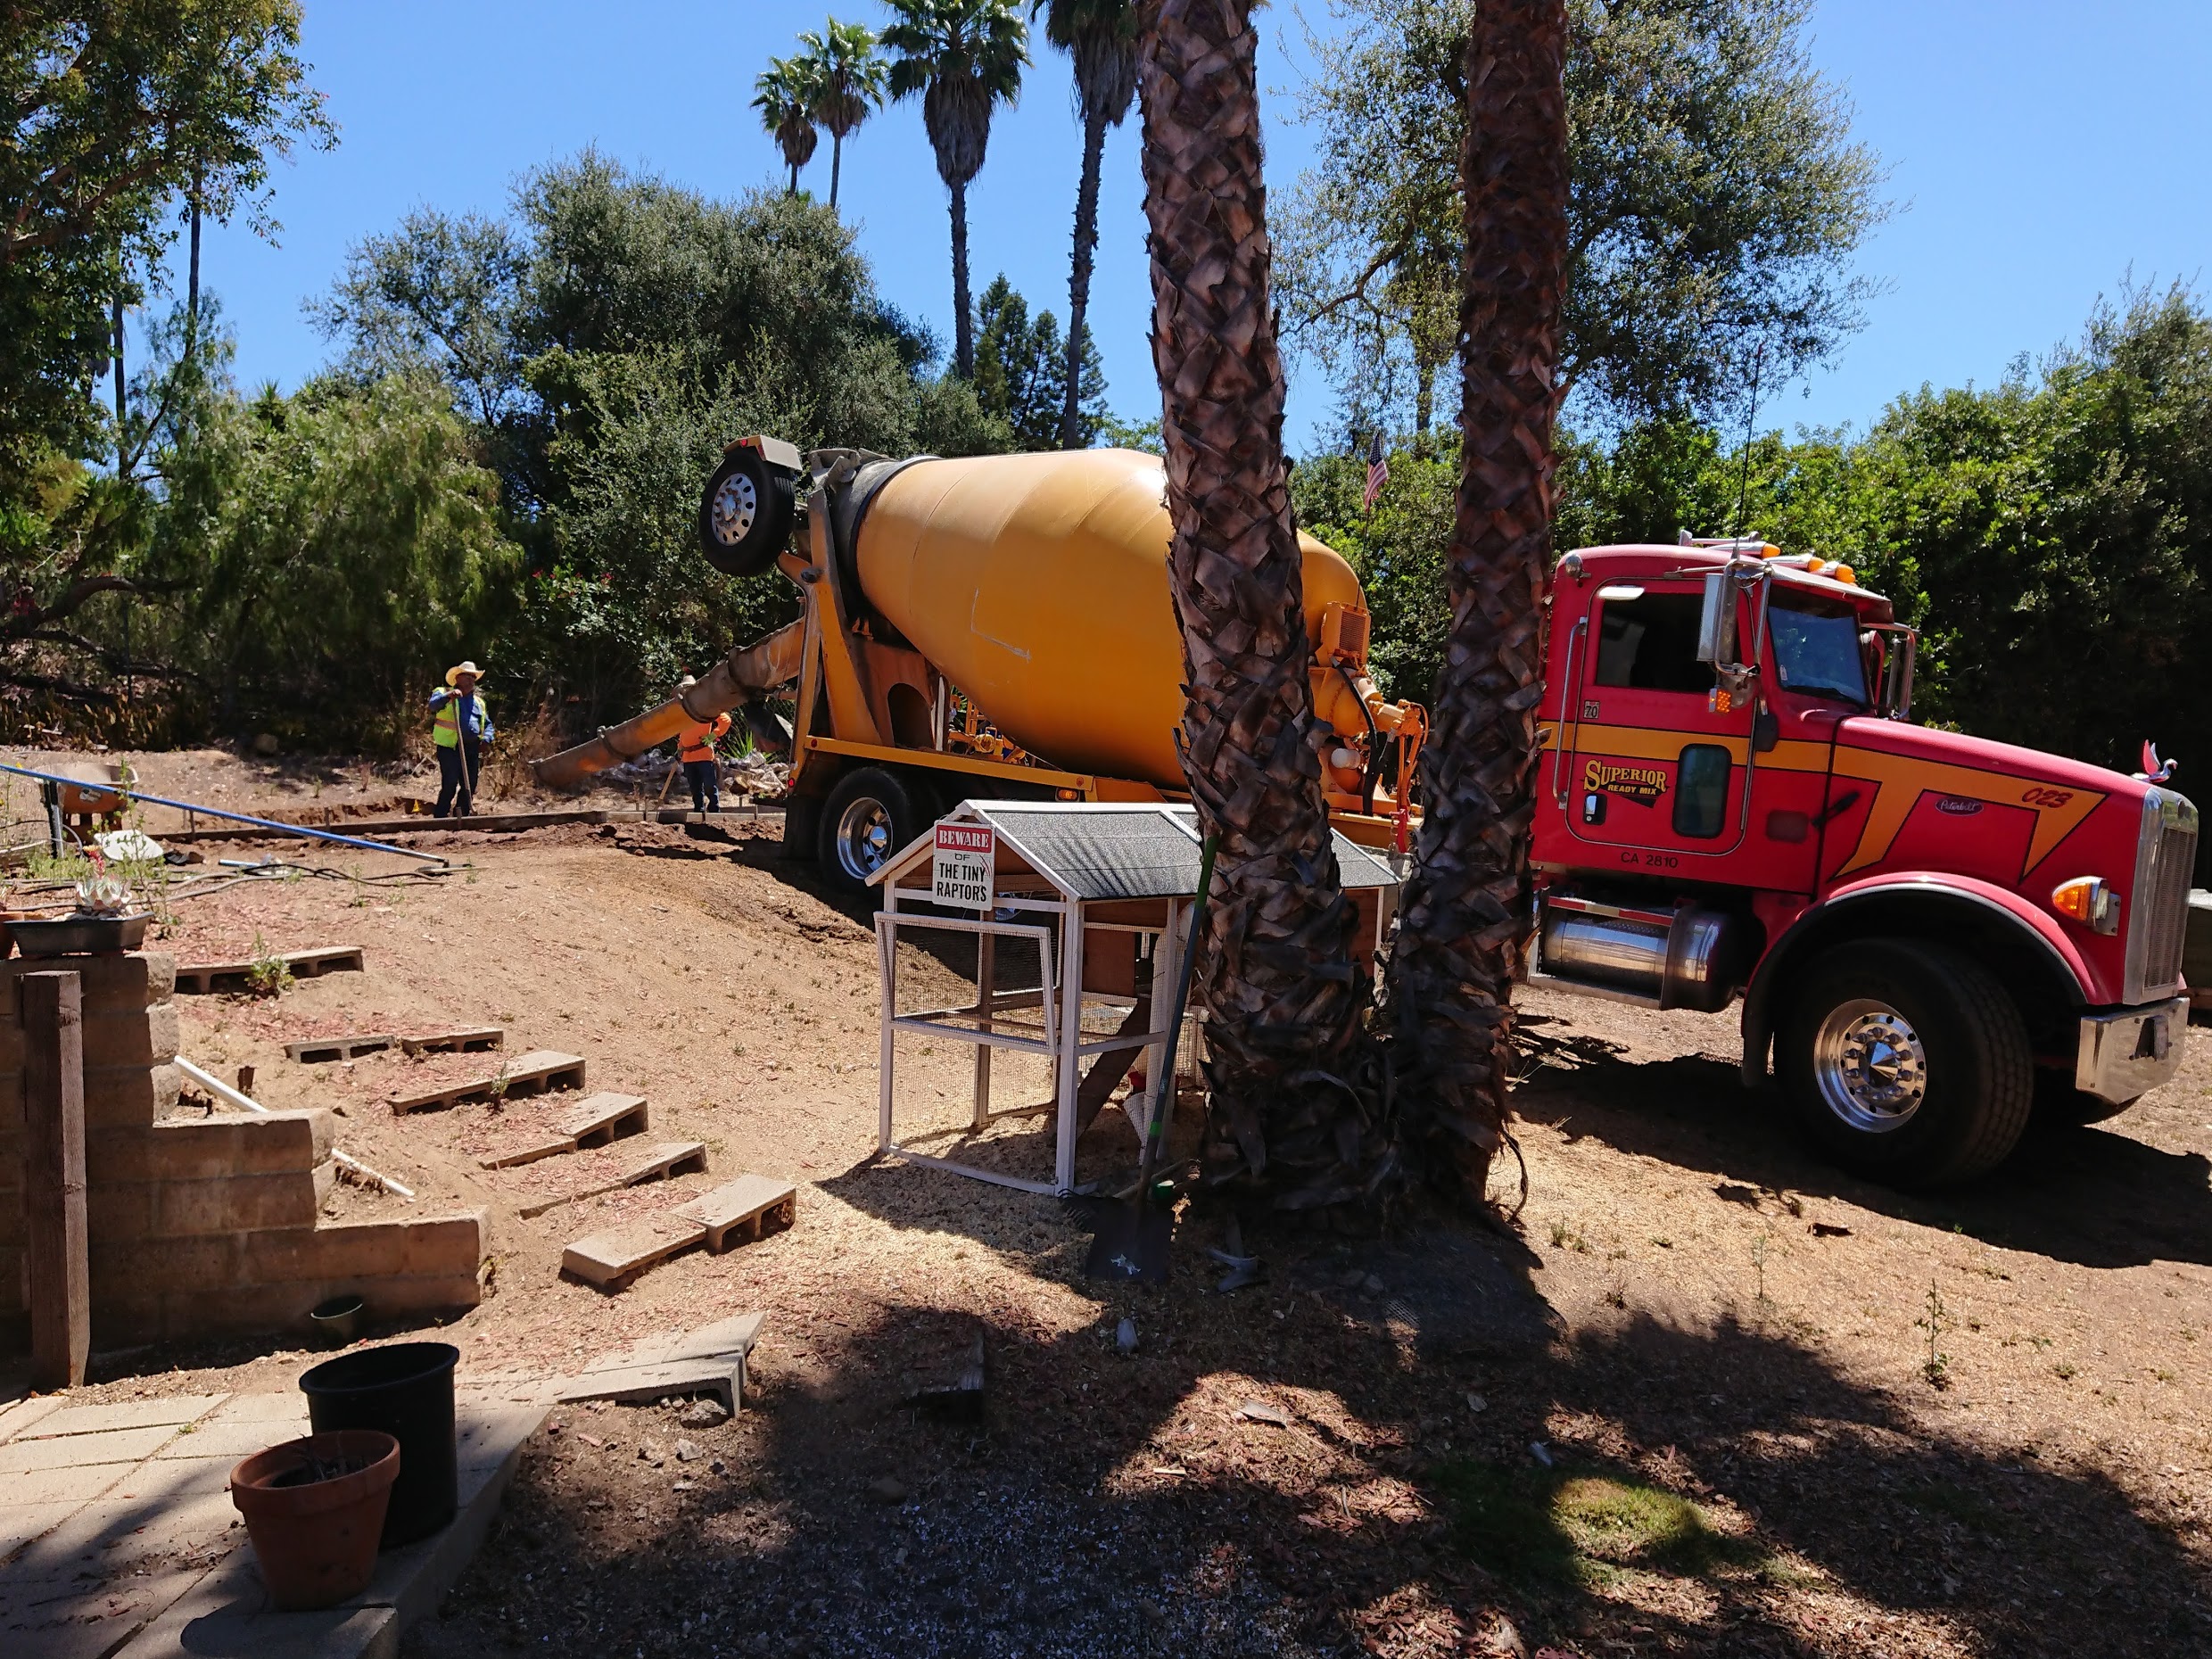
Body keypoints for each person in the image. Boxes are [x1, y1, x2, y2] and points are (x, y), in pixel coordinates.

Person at [428, 661, 494, 818]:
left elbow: (489, 725)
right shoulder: (443, 692)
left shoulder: (479, 702)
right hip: (450, 747)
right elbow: (433, 706)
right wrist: (448, 696)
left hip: (471, 748)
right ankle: (440, 816)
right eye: (467, 676)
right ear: (457, 677)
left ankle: (462, 815)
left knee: (470, 785)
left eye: (473, 677)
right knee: (450, 783)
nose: (471, 680)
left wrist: (487, 738)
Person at [673, 677, 732, 813]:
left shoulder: (707, 707)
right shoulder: (681, 710)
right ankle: (698, 810)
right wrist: (680, 749)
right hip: (688, 755)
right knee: (694, 787)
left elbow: (726, 720)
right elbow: (682, 733)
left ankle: (714, 810)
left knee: (710, 785)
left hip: (703, 754)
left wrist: (714, 734)